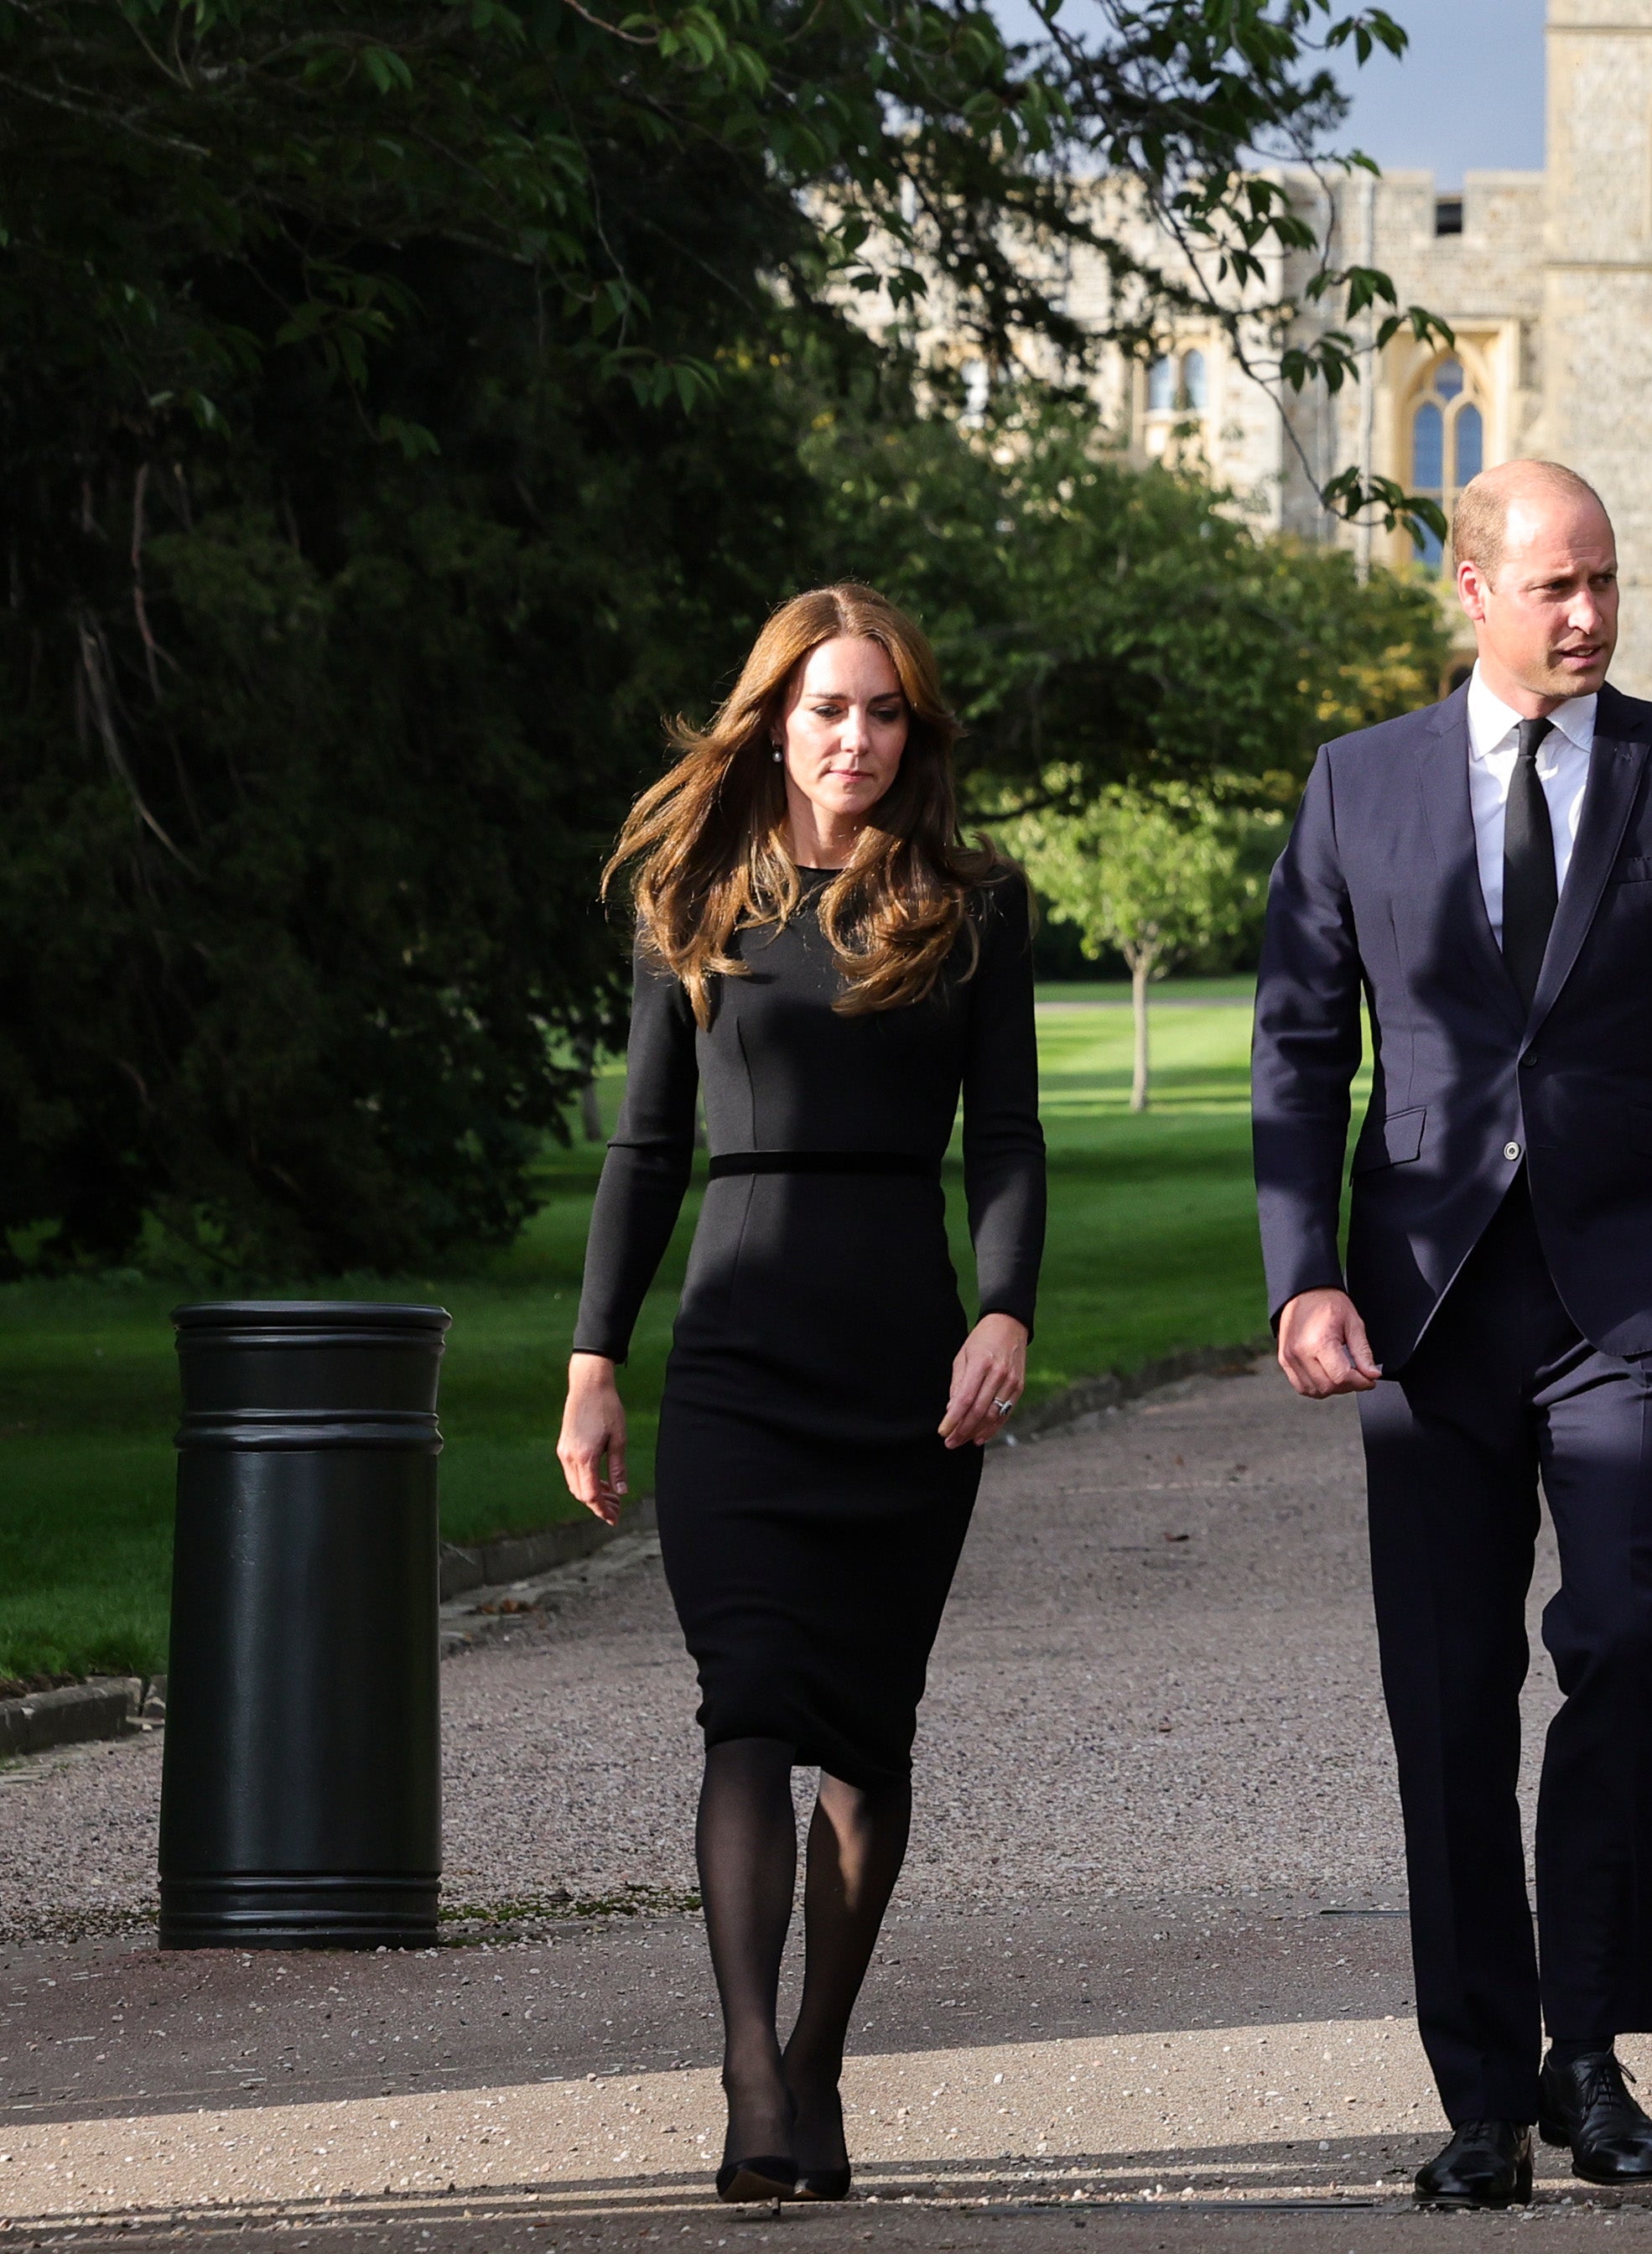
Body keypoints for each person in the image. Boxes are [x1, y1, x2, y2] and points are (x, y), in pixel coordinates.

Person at [1249, 460, 1652, 2208]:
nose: (1588, 615)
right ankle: (1482, 2091)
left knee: (1623, 1640)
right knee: (1446, 1704)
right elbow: (1296, 1049)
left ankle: (1589, 2045)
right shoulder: (1361, 785)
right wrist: (1303, 1272)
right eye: (1554, 586)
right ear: (1473, 592)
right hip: (1426, 1312)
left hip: (1638, 1291)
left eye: (1606, 584)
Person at [556, 585, 1044, 2205]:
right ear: (777, 717)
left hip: (904, 1365)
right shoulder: (695, 895)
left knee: (866, 1733)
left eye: (885, 712)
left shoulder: (971, 904)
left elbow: (1013, 1141)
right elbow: (642, 1148)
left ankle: (821, 2054)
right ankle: (751, 2078)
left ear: (915, 734)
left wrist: (1005, 1316)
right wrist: (592, 1362)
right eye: (830, 708)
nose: (857, 737)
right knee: (750, 1706)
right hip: (741, 1365)